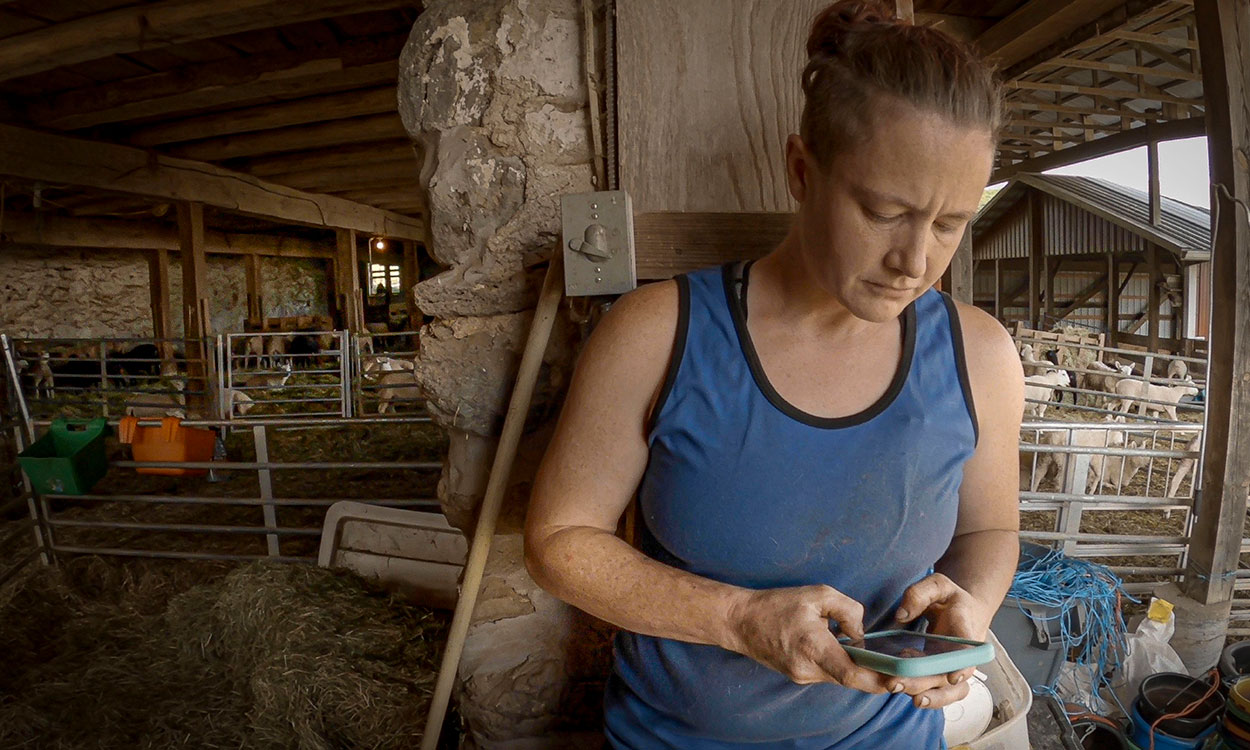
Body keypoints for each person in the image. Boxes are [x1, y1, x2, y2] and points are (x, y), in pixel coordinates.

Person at [524, 1, 1024, 747]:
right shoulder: (660, 334)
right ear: (801, 170)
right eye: (884, 211)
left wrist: (973, 608)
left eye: (950, 222)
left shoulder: (978, 358)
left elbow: (989, 528)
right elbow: (559, 541)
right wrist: (735, 618)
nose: (915, 261)